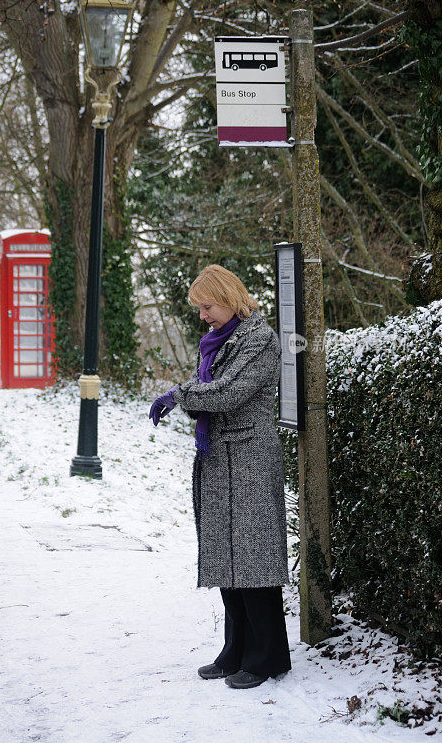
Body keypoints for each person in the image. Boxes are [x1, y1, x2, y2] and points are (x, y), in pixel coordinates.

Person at [149, 264, 291, 689]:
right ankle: (235, 651)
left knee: (254, 560)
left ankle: (266, 657)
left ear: (230, 298)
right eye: (200, 308)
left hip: (249, 459)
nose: (202, 316)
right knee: (227, 558)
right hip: (219, 459)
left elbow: (228, 393)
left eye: (207, 306)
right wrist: (189, 394)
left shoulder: (260, 341)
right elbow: (209, 389)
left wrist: (180, 395)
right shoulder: (216, 341)